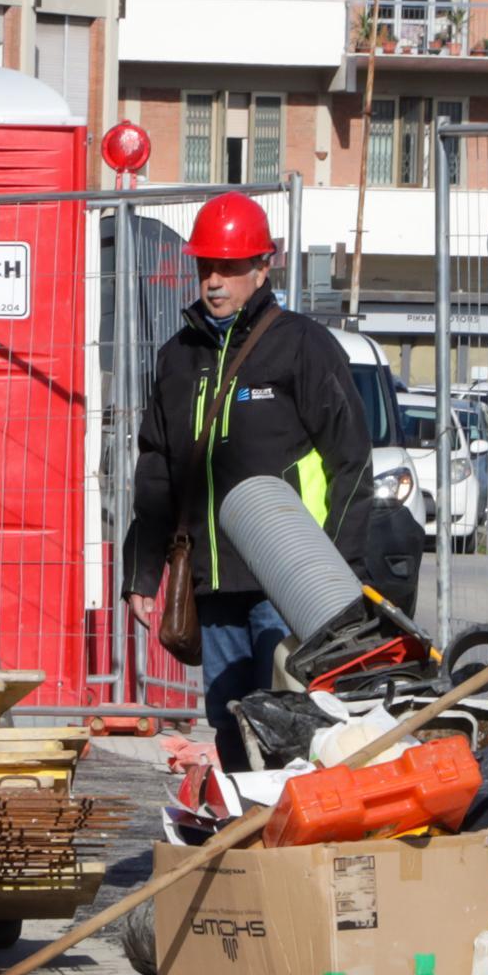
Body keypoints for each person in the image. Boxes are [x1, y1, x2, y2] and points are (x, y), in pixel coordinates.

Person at [121, 193, 371, 767]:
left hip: (289, 586)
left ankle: (291, 841)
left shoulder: (303, 346)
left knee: (294, 722)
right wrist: (143, 570)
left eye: (230, 268)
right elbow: (156, 465)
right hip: (211, 582)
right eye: (206, 266)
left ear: (264, 267)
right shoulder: (177, 358)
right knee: (231, 724)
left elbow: (351, 461)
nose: (215, 281)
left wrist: (339, 574)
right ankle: (243, 840)